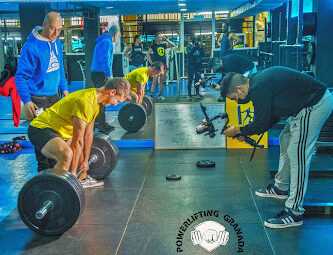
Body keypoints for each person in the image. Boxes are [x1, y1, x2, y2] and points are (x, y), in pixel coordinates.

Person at [220, 67, 333, 228]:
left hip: (314, 105)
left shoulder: (258, 87)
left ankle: (294, 212)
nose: (237, 102)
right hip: (301, 108)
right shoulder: (255, 83)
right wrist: (245, 133)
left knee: (298, 154)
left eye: (235, 98)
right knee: (285, 139)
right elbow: (271, 116)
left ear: (239, 88)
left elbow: (261, 122)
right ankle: (280, 187)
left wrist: (238, 130)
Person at [28, 78, 131, 188]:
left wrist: (86, 161)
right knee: (66, 154)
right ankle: (56, 192)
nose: (115, 104)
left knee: (79, 155)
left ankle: (82, 177)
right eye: (118, 101)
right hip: (41, 129)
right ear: (112, 92)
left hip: (60, 133)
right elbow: (77, 141)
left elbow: (88, 134)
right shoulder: (85, 102)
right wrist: (72, 174)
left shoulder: (95, 102)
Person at [15, 12, 69, 172]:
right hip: (37, 98)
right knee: (42, 135)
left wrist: (65, 90)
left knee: (57, 133)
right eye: (53, 28)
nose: (55, 33)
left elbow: (59, 68)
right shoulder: (31, 47)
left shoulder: (56, 42)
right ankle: (43, 172)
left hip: (54, 96)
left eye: (59, 30)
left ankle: (55, 169)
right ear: (44, 24)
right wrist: (27, 100)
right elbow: (21, 76)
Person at [90, 25, 120, 133]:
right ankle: (99, 124)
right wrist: (109, 75)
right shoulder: (107, 42)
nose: (118, 37)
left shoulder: (102, 40)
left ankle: (100, 122)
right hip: (100, 74)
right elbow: (105, 60)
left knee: (101, 99)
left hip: (97, 73)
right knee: (102, 99)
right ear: (116, 34)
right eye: (118, 35)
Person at [146, 32, 175, 100]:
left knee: (162, 80)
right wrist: (151, 63)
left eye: (161, 37)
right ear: (156, 38)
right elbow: (148, 53)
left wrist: (166, 39)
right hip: (156, 65)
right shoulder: (153, 46)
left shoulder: (163, 45)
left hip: (163, 64)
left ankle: (160, 94)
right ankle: (151, 95)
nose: (160, 38)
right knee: (155, 80)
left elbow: (173, 45)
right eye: (159, 37)